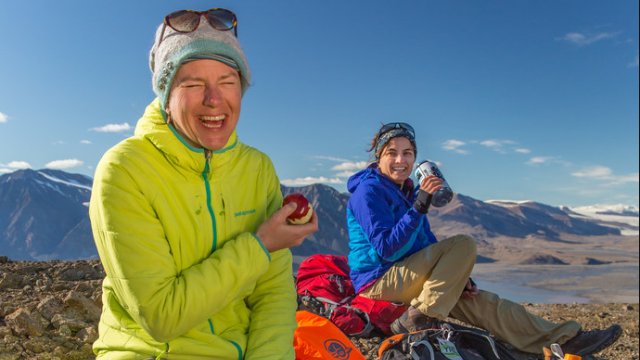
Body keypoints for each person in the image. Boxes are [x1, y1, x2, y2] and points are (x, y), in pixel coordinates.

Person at [89, 8, 317, 359]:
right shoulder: (125, 171)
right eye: (193, 84)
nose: (214, 99)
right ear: (166, 96)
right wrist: (260, 246)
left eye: (228, 82)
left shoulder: (257, 168)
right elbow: (162, 316)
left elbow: (273, 291)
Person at [345, 122, 621, 356]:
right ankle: (418, 318)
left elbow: (427, 243)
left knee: (485, 303)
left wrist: (456, 274)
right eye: (391, 153)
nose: (400, 160)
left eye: (407, 153)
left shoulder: (405, 191)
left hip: (410, 276)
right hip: (378, 281)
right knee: (464, 243)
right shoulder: (368, 192)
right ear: (379, 157)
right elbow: (387, 249)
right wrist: (419, 206)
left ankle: (563, 340)